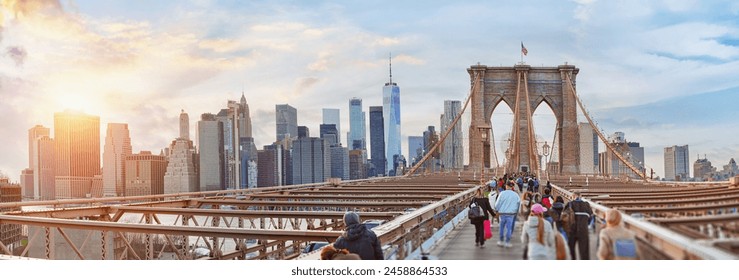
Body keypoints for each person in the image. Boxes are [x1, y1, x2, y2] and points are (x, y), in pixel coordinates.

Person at [565, 190, 593, 260]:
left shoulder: (569, 204)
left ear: (573, 196)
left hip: (571, 229)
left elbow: (564, 217)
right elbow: (591, 217)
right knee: (584, 251)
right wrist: (586, 223)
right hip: (583, 229)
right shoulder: (586, 204)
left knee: (571, 249)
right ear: (580, 196)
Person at [494, 182, 521, 248]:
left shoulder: (502, 193)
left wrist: (496, 209)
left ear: (506, 186)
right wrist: (517, 212)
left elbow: (497, 204)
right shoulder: (515, 195)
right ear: (512, 187)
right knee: (509, 228)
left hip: (502, 213)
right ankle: (507, 242)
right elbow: (518, 204)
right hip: (511, 213)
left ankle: (501, 241)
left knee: (502, 227)